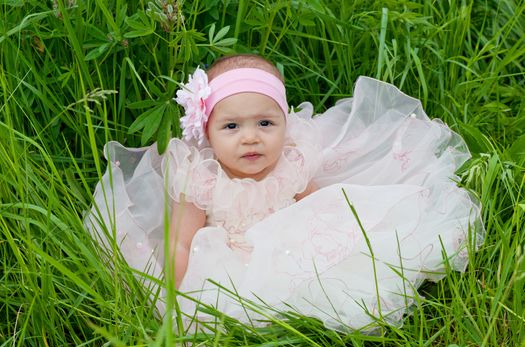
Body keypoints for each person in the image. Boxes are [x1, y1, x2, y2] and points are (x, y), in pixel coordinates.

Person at [85, 54, 483, 332]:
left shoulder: (290, 163)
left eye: (265, 122)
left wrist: (349, 236)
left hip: (292, 244)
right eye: (232, 127)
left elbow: (316, 204)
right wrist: (173, 297)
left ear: (284, 121)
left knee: (346, 272)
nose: (251, 138)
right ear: (205, 132)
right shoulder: (201, 178)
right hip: (230, 258)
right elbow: (180, 243)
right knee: (236, 303)